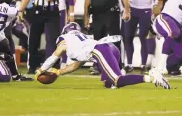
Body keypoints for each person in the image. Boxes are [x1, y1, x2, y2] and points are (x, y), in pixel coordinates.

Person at [35, 22, 171, 89]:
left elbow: (54, 57)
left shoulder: (65, 39)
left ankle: (152, 77)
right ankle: (121, 77)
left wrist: (41, 70)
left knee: (117, 80)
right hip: (109, 48)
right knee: (109, 84)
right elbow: (77, 64)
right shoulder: (81, 41)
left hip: (100, 50)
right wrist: (58, 72)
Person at [18, 0, 67, 74]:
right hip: (37, 10)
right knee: (33, 40)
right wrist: (21, 10)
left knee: (54, 39)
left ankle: (52, 66)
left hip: (52, 11)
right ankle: (33, 67)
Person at [84, 0, 130, 72]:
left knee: (115, 40)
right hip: (97, 15)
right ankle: (99, 66)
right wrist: (86, 18)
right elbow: (87, 1)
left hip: (112, 14)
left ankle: (118, 66)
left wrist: (127, 9)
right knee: (98, 41)